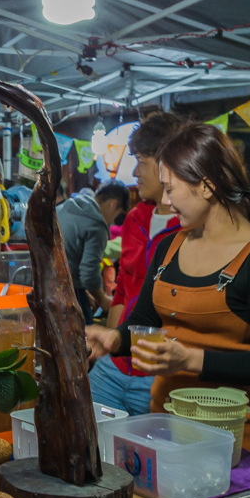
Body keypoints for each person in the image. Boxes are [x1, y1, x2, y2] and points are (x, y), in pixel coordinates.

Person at [86, 122, 250, 459]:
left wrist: (191, 360)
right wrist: (115, 338)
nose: (167, 202)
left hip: (238, 446)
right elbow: (144, 320)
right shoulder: (169, 247)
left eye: (172, 190)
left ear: (206, 186)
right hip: (168, 431)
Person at [89, 112, 181, 415]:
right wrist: (110, 346)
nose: (135, 171)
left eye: (142, 161)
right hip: (115, 367)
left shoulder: (191, 225)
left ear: (168, 163)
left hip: (160, 371)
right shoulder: (134, 219)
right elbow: (123, 292)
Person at [57, 182, 130, 323]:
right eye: (117, 215)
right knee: (86, 337)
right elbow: (89, 275)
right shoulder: (96, 225)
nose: (113, 220)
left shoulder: (68, 207)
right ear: (113, 205)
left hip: (49, 287)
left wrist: (86, 293)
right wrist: (103, 300)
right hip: (68, 295)